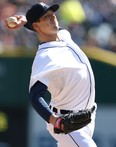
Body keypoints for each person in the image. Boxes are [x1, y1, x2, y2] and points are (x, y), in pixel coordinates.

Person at [5, 2, 97, 147]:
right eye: (46, 16)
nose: (53, 18)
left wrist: (25, 20)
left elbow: (45, 27)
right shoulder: (45, 57)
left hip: (88, 117)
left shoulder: (63, 35)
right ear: (36, 26)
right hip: (67, 123)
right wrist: (56, 121)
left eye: (52, 14)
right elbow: (35, 96)